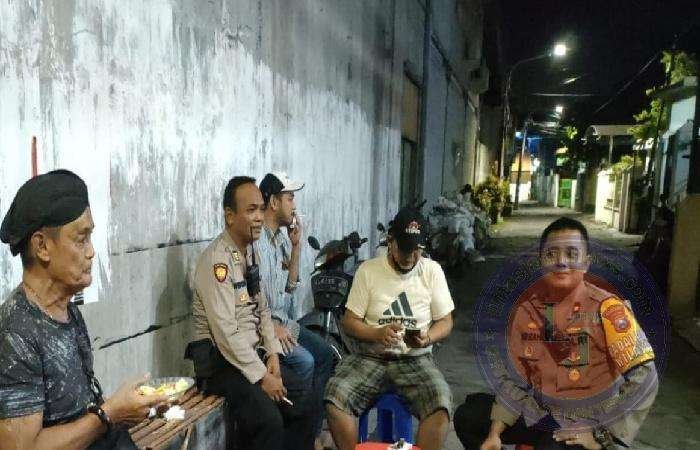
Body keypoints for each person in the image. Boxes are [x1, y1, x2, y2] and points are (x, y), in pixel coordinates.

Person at [454, 217, 658, 450]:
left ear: (586, 263)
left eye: (572, 254)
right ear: (541, 262)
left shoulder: (608, 309)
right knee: (469, 416)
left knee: (551, 446)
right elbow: (514, 382)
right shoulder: (528, 312)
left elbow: (646, 376)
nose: (561, 262)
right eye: (552, 254)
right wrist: (494, 433)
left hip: (589, 421)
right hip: (543, 413)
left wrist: (600, 435)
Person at [0, 170, 168, 450]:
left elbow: (79, 415)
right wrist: (109, 414)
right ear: (42, 246)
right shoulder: (16, 333)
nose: (90, 252)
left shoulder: (67, 312)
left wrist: (133, 409)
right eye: (81, 239)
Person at [188, 176, 315, 450]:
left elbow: (263, 309)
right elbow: (226, 334)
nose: (259, 217)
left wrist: (273, 354)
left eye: (261, 209)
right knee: (269, 421)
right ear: (230, 216)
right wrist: (263, 376)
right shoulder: (217, 261)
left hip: (250, 355)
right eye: (251, 210)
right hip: (222, 365)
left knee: (305, 401)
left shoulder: (249, 252)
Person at [324, 207, 454, 450]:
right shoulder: (368, 270)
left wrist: (427, 338)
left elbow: (446, 321)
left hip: (415, 359)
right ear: (390, 242)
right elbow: (349, 321)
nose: (410, 257)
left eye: (416, 250)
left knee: (440, 403)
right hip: (369, 358)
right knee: (335, 396)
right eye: (404, 249)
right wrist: (377, 333)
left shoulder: (431, 271)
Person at [255, 172, 334, 450]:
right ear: (274, 202)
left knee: (326, 355)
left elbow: (289, 289)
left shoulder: (279, 239)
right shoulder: (256, 243)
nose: (294, 205)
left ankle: (309, 433)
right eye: (290, 198)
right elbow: (251, 301)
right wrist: (271, 328)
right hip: (266, 327)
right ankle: (297, 435)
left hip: (284, 321)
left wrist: (297, 245)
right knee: (306, 362)